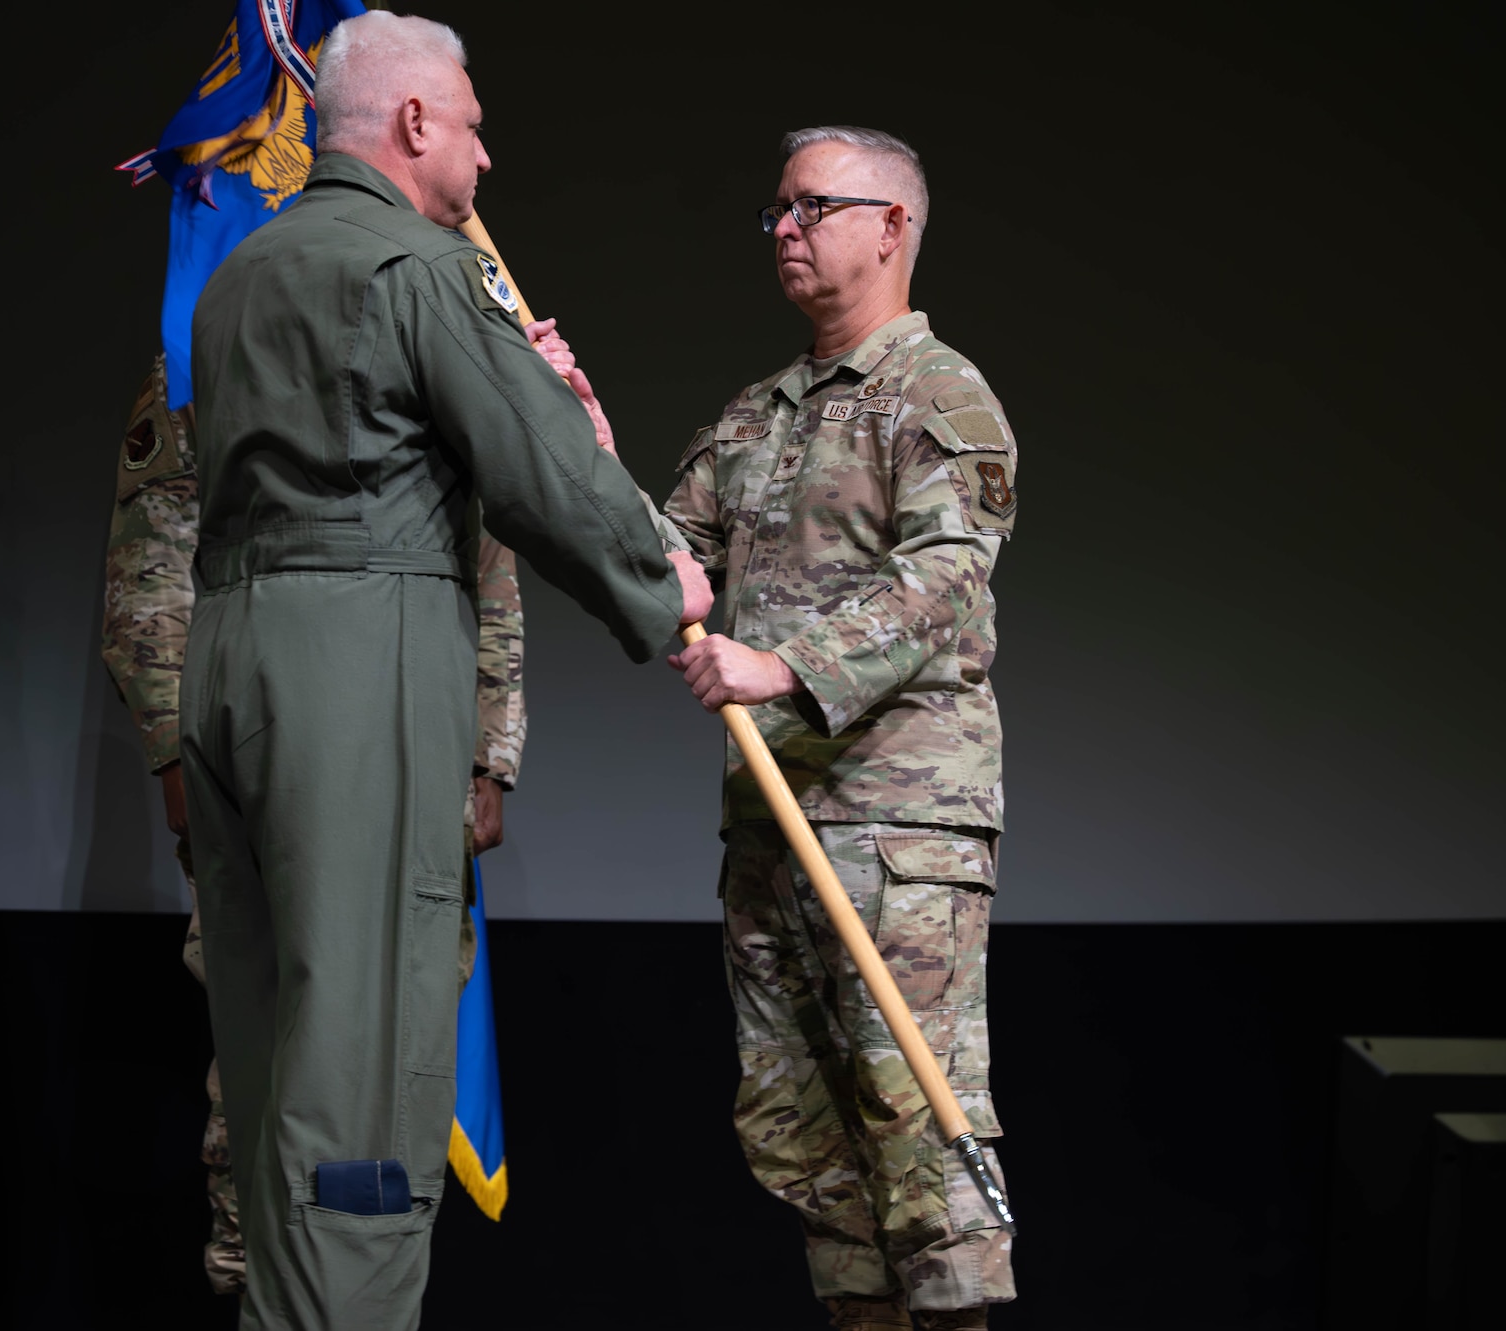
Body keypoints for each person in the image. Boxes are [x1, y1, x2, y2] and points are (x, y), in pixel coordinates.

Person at [178, 11, 711, 1329]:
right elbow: (542, 475)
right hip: (358, 663)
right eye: (471, 123)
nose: (485, 153)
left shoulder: (245, 272)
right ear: (414, 123)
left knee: (273, 1052)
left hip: (232, 654)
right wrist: (669, 581)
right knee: (364, 1067)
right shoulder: (419, 268)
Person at [663, 125, 1020, 1330]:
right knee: (801, 1133)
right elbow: (665, 560)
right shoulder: (756, 415)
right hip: (772, 821)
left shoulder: (937, 394)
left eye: (810, 206)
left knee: (916, 1129)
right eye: (775, 209)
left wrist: (782, 663)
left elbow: (939, 582)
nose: (783, 228)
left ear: (890, 226)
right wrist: (574, 436)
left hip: (894, 823)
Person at [99, 357, 532, 1298]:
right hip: (264, 757)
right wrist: (176, 750)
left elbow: (486, 566)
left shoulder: (423, 350)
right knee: (273, 1054)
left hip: (411, 761)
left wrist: (488, 754)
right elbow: (152, 567)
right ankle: (259, 1279)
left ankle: (363, 1293)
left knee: (402, 1060)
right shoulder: (199, 358)